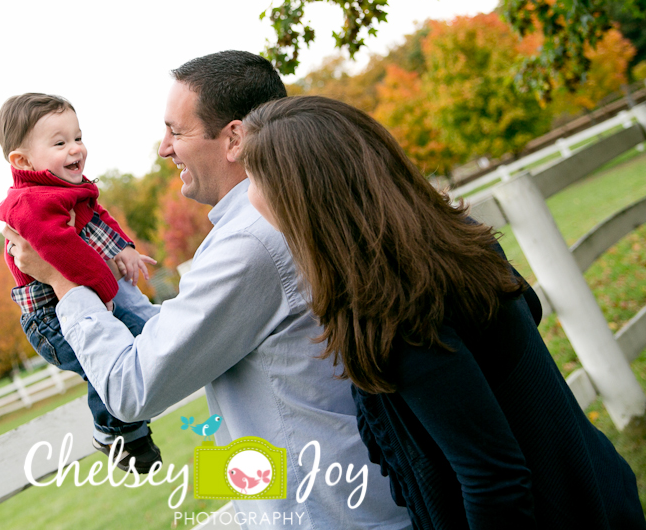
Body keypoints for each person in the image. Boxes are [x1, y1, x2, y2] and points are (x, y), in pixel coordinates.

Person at [3, 51, 412, 529]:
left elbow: (130, 388)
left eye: (176, 131)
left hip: (322, 513)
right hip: (321, 488)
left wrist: (63, 282)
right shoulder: (295, 212)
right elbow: (230, 364)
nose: (163, 148)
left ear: (234, 138)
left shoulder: (248, 244)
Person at [240, 95, 646, 529]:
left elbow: (495, 480)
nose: (249, 197)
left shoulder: (393, 311)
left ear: (299, 196)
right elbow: (529, 310)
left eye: (252, 180)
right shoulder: (452, 236)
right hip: (597, 486)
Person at [0, 93, 161, 473]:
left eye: (78, 137)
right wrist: (106, 287)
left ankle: (126, 429)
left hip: (87, 300)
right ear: (22, 161)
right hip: (52, 319)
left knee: (144, 345)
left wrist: (125, 248)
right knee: (107, 362)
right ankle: (115, 431)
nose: (76, 149)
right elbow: (64, 250)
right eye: (60, 143)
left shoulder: (67, 188)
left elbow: (97, 213)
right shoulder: (30, 204)